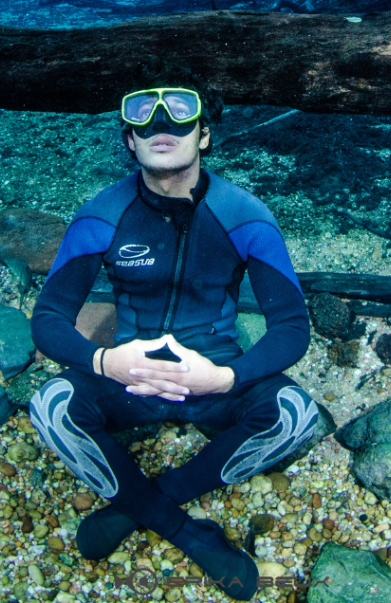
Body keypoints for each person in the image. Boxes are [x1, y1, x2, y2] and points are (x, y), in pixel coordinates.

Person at [29, 83, 319, 601]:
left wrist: (226, 377)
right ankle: (186, 531)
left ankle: (140, 505)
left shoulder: (246, 215)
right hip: (129, 378)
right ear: (130, 142)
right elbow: (48, 317)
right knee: (50, 406)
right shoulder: (101, 214)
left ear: (204, 135)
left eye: (180, 118)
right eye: (146, 121)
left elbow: (293, 326)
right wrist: (105, 361)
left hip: (213, 379)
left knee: (297, 413)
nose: (162, 126)